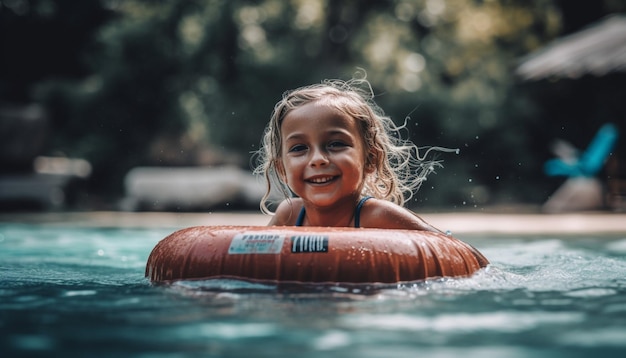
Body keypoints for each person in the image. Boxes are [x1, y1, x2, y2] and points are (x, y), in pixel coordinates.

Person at [254, 74, 454, 232]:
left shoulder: (379, 217)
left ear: (370, 159)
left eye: (336, 144)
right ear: (281, 169)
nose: (317, 160)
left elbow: (456, 252)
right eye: (299, 148)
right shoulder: (289, 216)